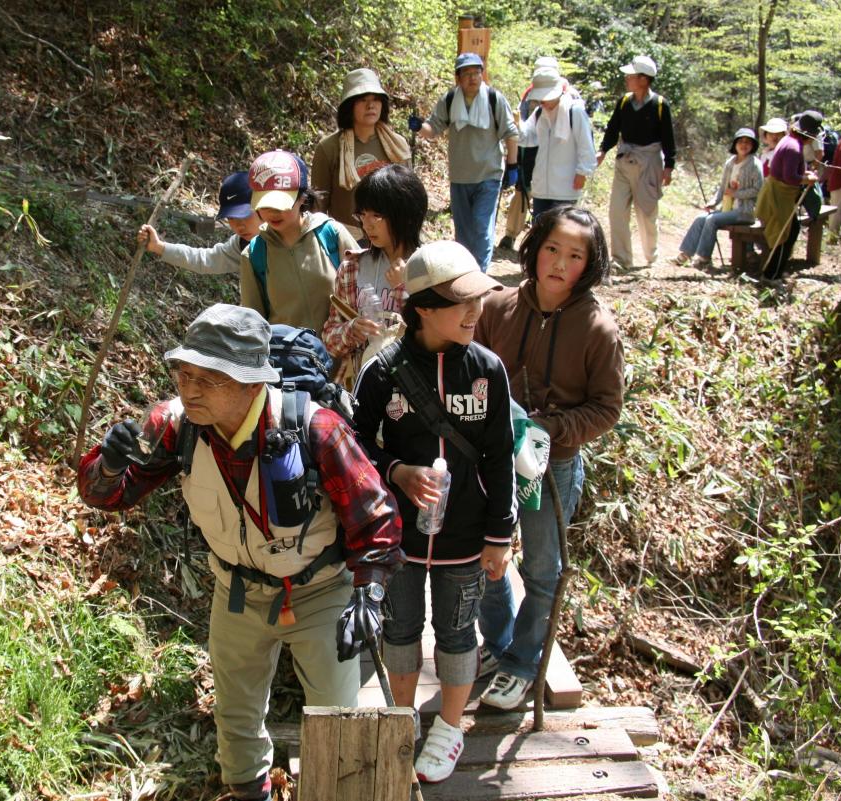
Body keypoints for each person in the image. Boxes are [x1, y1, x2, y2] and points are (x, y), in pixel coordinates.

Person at [77, 303, 403, 801]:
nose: (189, 390)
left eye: (209, 380)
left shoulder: (315, 430)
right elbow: (109, 497)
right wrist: (107, 465)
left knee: (337, 717)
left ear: (253, 383)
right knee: (235, 713)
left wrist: (370, 592)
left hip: (319, 592)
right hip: (236, 590)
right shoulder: (175, 425)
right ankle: (250, 792)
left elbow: (374, 515)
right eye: (184, 374)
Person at [353, 241, 517, 782]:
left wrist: (500, 536)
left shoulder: (488, 371)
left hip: (467, 535)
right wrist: (397, 470)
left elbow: (499, 459)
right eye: (461, 303)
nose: (476, 313)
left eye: (479, 300)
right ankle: (403, 718)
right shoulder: (383, 372)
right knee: (400, 627)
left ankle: (448, 727)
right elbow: (351, 448)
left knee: (456, 629)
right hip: (398, 534)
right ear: (422, 307)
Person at [475, 206, 624, 710]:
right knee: (485, 556)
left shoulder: (597, 327)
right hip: (493, 458)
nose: (560, 263)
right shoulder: (497, 307)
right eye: (553, 249)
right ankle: (498, 646)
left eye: (576, 255)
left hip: (553, 465)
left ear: (591, 264)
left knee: (542, 567)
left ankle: (522, 663)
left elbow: (607, 408)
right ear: (535, 248)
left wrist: (548, 429)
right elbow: (471, 371)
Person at [409, 53, 520, 272]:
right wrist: (419, 126)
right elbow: (434, 129)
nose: (473, 78)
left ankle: (480, 274)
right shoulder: (450, 100)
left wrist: (513, 166)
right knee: (463, 231)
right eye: (467, 74)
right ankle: (464, 272)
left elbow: (511, 133)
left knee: (481, 226)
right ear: (458, 77)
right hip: (460, 176)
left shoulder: (494, 99)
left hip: (489, 174)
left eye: (477, 73)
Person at [321, 163, 427, 387]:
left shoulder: (431, 269)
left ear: (407, 215)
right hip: (363, 389)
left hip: (414, 390)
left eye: (377, 215)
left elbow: (436, 338)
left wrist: (405, 290)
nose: (366, 224)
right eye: (362, 214)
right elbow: (330, 340)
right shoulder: (352, 269)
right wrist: (352, 330)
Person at [240, 150, 359, 332]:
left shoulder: (331, 234)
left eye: (280, 205)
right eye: (265, 205)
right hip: (289, 359)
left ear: (302, 197)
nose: (273, 213)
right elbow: (253, 324)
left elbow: (367, 287)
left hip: (343, 353)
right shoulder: (254, 254)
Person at [596, 55, 676, 270]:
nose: (627, 78)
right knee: (617, 210)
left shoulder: (660, 105)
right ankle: (621, 259)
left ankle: (651, 255)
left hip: (649, 162)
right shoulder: (623, 102)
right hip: (625, 159)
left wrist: (669, 166)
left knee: (647, 211)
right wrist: (603, 150)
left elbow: (668, 138)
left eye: (631, 75)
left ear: (643, 79)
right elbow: (613, 129)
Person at [312, 68, 412, 238]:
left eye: (376, 100)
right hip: (346, 239)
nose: (370, 105)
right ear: (349, 106)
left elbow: (409, 196)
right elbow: (318, 205)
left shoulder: (397, 146)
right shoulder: (329, 148)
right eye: (363, 100)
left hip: (391, 237)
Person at [499, 56, 581, 252]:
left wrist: (582, 170)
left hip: (563, 165)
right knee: (524, 193)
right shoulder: (531, 97)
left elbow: (583, 140)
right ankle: (512, 234)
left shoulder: (573, 102)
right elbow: (527, 131)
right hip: (532, 154)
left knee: (561, 214)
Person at [138, 171, 261, 275]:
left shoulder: (279, 237)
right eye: (231, 218)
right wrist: (158, 246)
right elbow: (205, 260)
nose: (239, 226)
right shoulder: (242, 244)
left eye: (245, 215)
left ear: (263, 208)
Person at [674, 128, 763, 270]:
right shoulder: (730, 163)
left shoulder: (755, 164)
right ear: (735, 144)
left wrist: (736, 194)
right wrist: (713, 202)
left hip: (745, 211)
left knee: (712, 220)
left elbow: (758, 190)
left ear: (753, 145)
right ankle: (685, 254)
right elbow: (722, 189)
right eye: (741, 141)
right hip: (728, 209)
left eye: (748, 142)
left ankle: (704, 258)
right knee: (701, 218)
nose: (744, 145)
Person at [519, 66, 596, 221]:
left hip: (565, 188)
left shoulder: (575, 112)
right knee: (539, 234)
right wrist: (516, 124)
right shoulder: (539, 113)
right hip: (541, 187)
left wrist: (582, 173)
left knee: (559, 234)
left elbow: (586, 147)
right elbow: (527, 138)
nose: (543, 101)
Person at [756, 111, 821, 280]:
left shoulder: (790, 141)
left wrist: (805, 173)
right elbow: (790, 177)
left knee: (791, 231)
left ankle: (774, 272)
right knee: (785, 234)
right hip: (778, 197)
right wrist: (807, 180)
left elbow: (790, 170)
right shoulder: (793, 147)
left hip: (780, 196)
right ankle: (772, 275)